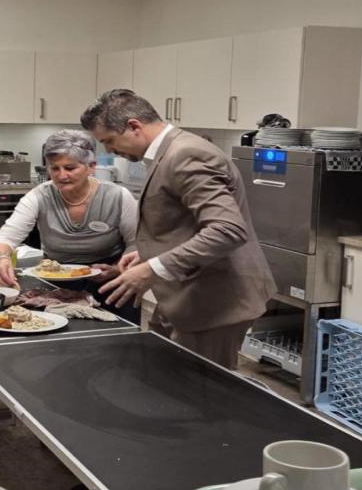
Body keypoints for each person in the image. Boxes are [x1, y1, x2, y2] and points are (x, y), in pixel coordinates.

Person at [80, 89, 276, 368]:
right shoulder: (168, 153)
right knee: (162, 374)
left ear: (134, 126)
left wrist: (152, 268)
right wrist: (148, 253)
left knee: (199, 388)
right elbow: (185, 221)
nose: (109, 151)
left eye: (109, 141)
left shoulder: (187, 154)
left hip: (215, 301)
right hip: (184, 295)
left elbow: (227, 229)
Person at [0, 129, 140, 323]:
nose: (62, 175)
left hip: (112, 285)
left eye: (70, 168)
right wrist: (2, 258)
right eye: (54, 168)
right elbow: (7, 236)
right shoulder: (39, 196)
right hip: (56, 287)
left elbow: (137, 243)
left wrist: (117, 268)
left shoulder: (118, 196)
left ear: (91, 167)